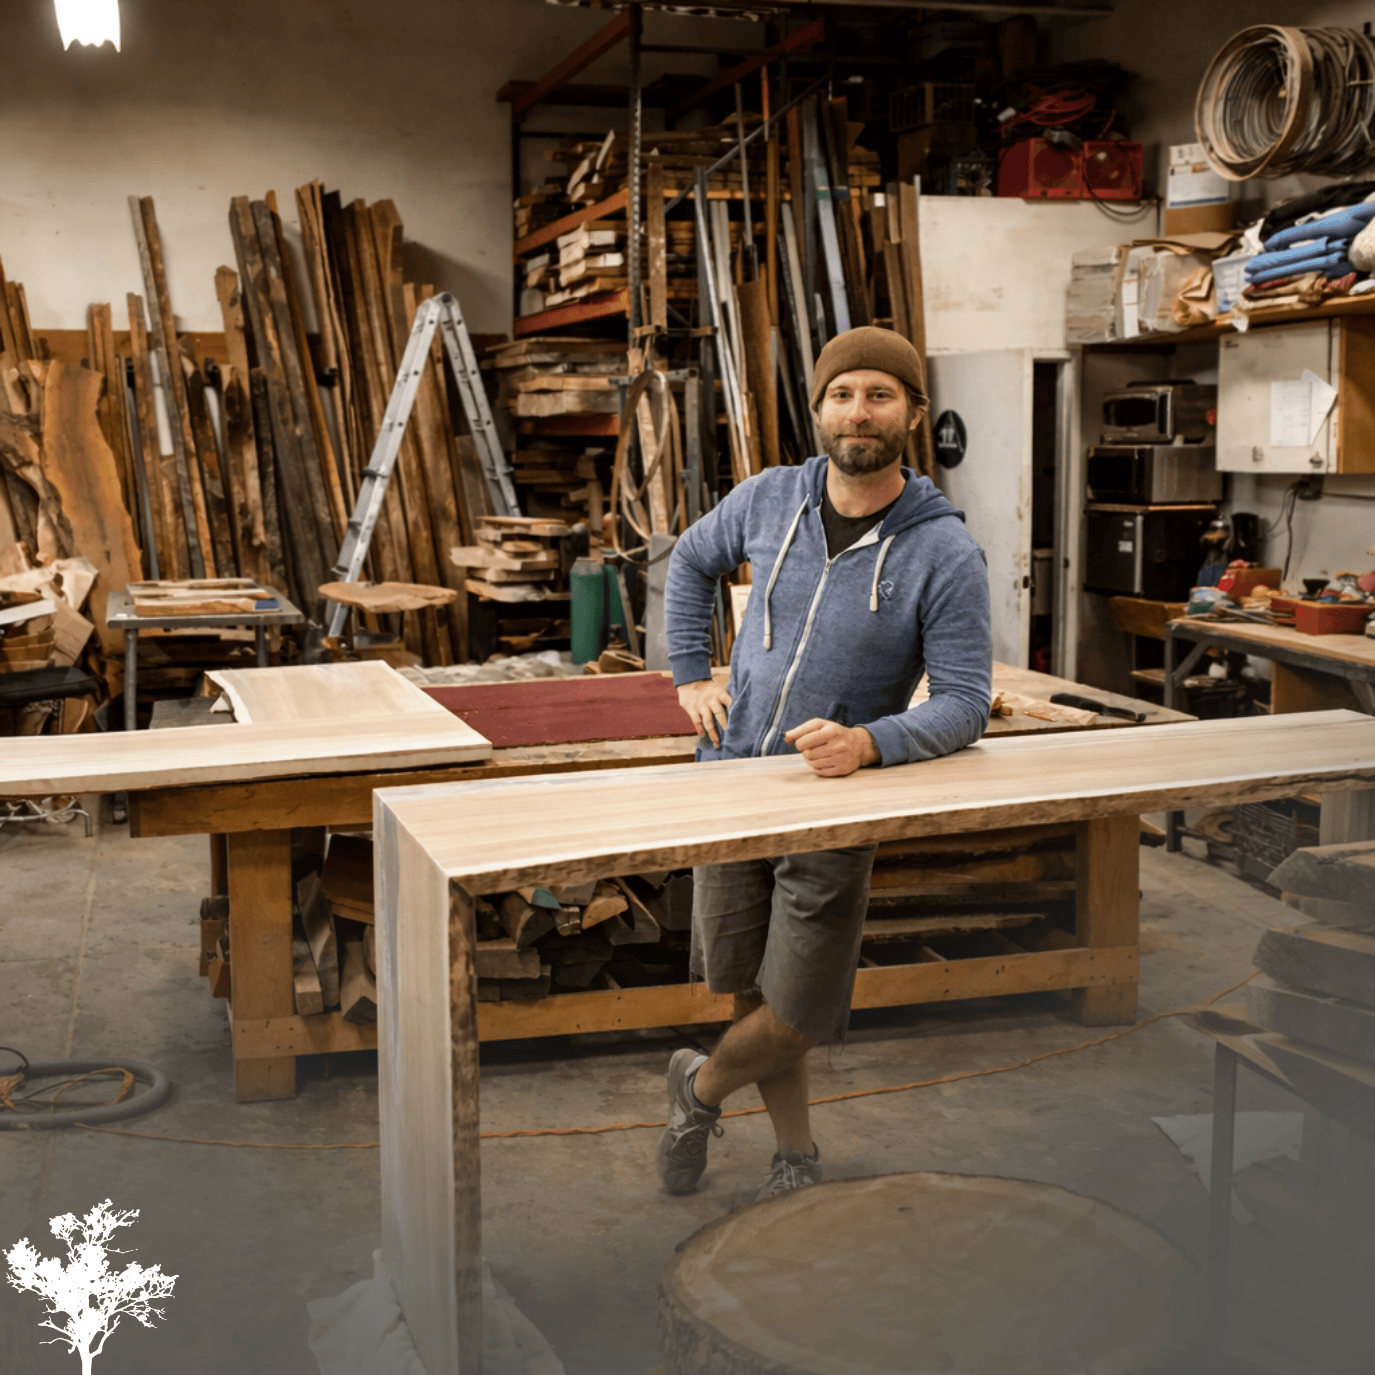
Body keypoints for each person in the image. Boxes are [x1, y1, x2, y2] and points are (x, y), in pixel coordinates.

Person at [657, 325, 993, 1201]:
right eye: (841, 394)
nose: (858, 411)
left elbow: (963, 699)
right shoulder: (770, 498)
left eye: (880, 394)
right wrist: (692, 675)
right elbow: (690, 563)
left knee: (799, 1009)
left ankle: (694, 1090)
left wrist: (870, 742)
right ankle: (795, 1155)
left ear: (913, 414)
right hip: (732, 781)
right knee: (747, 992)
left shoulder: (943, 550)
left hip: (829, 801)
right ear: (817, 409)